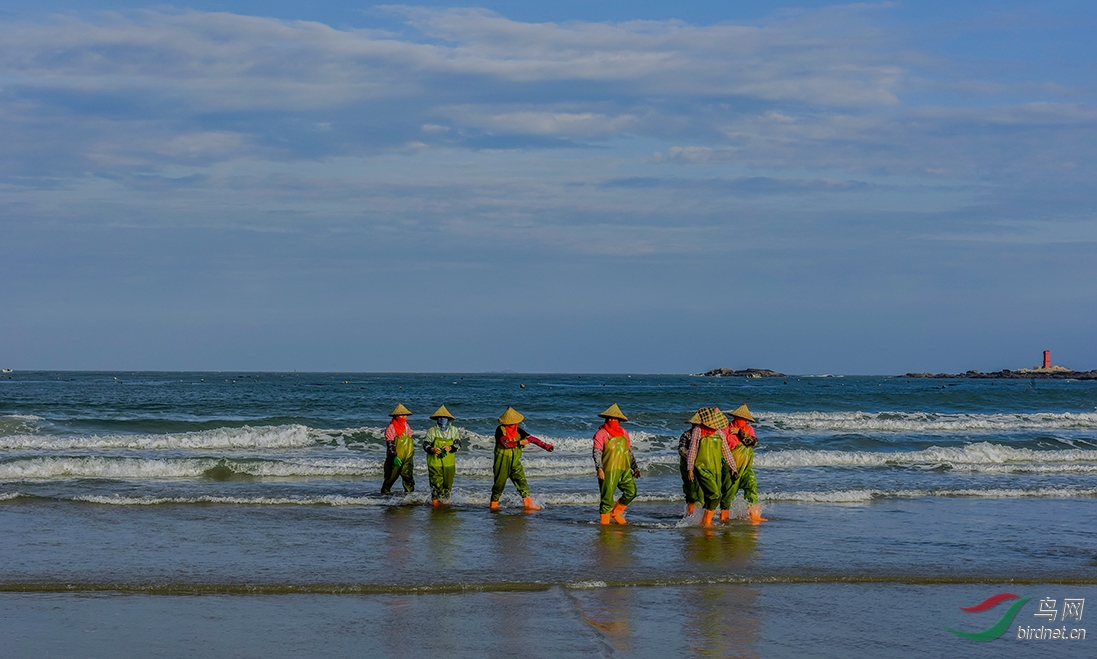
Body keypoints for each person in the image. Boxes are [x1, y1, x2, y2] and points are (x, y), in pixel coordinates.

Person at [491, 407, 554, 511]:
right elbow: (505, 443)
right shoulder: (500, 430)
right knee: (499, 485)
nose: (515, 425)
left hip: (515, 461)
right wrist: (519, 443)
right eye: (513, 423)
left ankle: (528, 505)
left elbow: (531, 439)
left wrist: (545, 446)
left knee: (522, 482)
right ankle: (493, 507)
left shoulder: (518, 431)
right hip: (502, 461)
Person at [685, 407, 738, 527]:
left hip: (716, 469)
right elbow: (693, 449)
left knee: (711, 496)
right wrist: (690, 468)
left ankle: (703, 521)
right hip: (701, 467)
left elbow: (726, 452)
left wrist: (733, 468)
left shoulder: (719, 433)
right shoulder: (698, 430)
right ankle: (706, 522)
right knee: (715, 495)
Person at [592, 403, 641, 525]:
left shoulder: (624, 433)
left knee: (632, 491)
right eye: (610, 418)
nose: (612, 420)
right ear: (606, 419)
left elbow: (628, 452)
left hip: (624, 469)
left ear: (619, 420)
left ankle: (616, 512)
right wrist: (599, 468)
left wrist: (635, 467)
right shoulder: (601, 433)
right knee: (607, 498)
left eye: (615, 418)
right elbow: (597, 452)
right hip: (608, 470)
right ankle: (604, 525)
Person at [720, 404, 766, 524]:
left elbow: (753, 442)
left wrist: (740, 433)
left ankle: (754, 516)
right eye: (741, 418)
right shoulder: (726, 430)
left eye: (745, 419)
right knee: (728, 492)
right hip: (730, 466)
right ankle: (724, 516)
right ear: (735, 418)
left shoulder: (748, 429)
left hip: (746, 467)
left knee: (751, 487)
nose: (743, 421)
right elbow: (721, 448)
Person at [423, 405, 461, 507]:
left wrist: (451, 448)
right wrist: (432, 449)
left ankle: (445, 501)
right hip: (434, 462)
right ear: (437, 419)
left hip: (449, 462)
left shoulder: (454, 430)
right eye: (440, 417)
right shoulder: (432, 431)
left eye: (444, 417)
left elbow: (458, 444)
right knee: (436, 483)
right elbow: (425, 444)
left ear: (448, 419)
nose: (442, 419)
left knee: (448, 484)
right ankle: (435, 503)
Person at [380, 403, 416, 495]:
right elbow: (390, 444)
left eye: (405, 415)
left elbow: (410, 441)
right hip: (396, 458)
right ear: (396, 416)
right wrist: (394, 456)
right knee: (391, 477)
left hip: (407, 457)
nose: (404, 417)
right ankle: (385, 494)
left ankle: (410, 496)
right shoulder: (391, 428)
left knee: (408, 477)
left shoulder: (407, 426)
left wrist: (411, 455)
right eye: (401, 415)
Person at [677, 412, 703, 515]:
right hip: (686, 466)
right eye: (694, 425)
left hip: (701, 466)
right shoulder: (686, 434)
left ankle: (700, 515)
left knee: (702, 492)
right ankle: (690, 515)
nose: (695, 427)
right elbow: (681, 449)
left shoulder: (705, 436)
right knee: (691, 492)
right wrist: (692, 460)